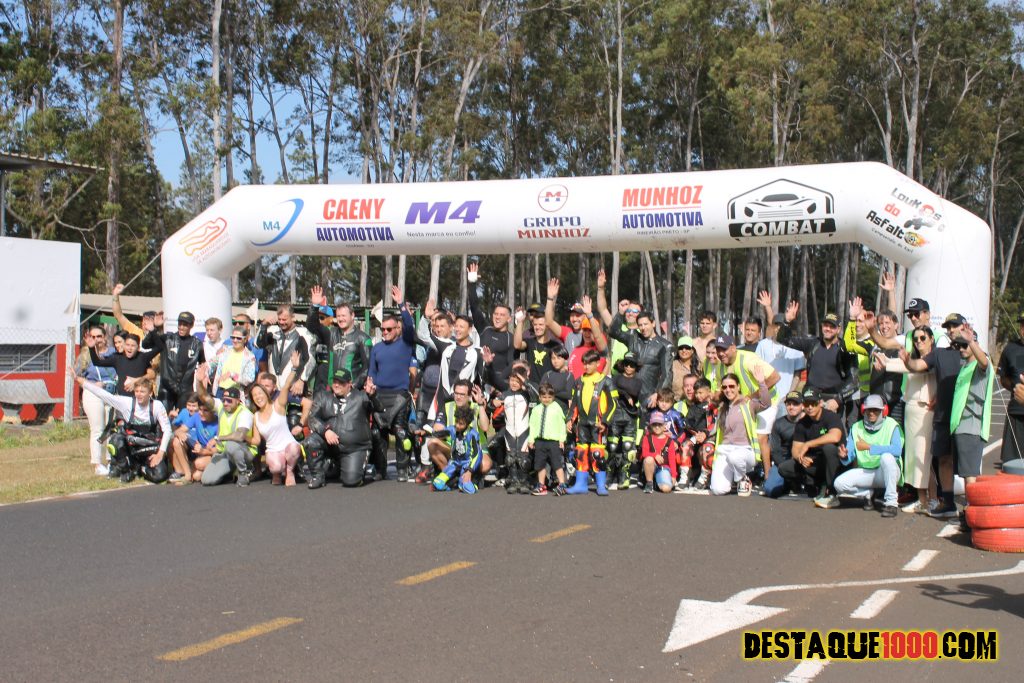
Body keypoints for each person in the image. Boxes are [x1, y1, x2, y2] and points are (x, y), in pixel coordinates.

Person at [901, 319, 969, 519]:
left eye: (955, 326)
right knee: (944, 460)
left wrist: (971, 344)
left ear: (964, 326)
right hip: (942, 416)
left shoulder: (971, 352)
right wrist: (907, 361)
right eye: (948, 327)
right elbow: (918, 365)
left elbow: (984, 366)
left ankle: (971, 507)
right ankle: (948, 504)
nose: (951, 330)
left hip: (964, 416)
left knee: (967, 465)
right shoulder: (939, 353)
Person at [71, 373, 171, 484]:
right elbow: (103, 394)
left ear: (150, 393)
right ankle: (126, 468)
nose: (139, 395)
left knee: (160, 476)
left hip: (149, 448)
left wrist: (160, 454)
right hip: (132, 447)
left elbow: (167, 430)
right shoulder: (127, 403)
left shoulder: (157, 406)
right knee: (116, 439)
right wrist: (79, 380)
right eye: (137, 391)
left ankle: (140, 469)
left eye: (142, 392)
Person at [879, 326, 938, 514]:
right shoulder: (912, 358)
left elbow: (913, 367)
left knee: (923, 456)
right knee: (913, 457)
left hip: (925, 409)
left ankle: (931, 499)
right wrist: (884, 360)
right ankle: (924, 499)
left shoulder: (933, 358)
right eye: (916, 339)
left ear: (931, 339)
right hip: (911, 408)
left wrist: (888, 363)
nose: (919, 341)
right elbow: (904, 364)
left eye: (923, 338)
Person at [775, 304, 858, 422]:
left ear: (839, 329)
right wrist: (787, 321)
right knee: (808, 431)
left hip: (832, 401)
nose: (828, 329)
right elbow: (783, 340)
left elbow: (854, 380)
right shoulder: (813, 343)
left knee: (832, 432)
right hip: (810, 399)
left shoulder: (845, 349)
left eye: (832, 327)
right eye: (826, 325)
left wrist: (838, 400)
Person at [368, 286, 418, 481]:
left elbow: (409, 326)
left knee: (400, 433)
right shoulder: (377, 348)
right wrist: (370, 386)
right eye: (383, 329)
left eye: (389, 329)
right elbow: (372, 371)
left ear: (397, 329)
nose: (385, 332)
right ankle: (380, 470)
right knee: (377, 433)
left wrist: (401, 304)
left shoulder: (405, 343)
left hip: (399, 396)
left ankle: (402, 470)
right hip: (380, 396)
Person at [305, 369, 383, 489]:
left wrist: (373, 395)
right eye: (335, 381)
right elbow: (312, 418)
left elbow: (380, 408)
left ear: (349, 384)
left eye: (341, 382)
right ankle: (317, 477)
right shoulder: (323, 396)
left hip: (355, 447)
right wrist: (325, 431)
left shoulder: (361, 396)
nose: (336, 385)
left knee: (351, 481)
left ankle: (356, 466)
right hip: (331, 444)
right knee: (311, 441)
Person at [834, 394, 904, 517]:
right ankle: (867, 494)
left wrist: (869, 447)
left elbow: (897, 450)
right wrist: (844, 455)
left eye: (875, 410)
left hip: (887, 472)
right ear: (863, 410)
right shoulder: (856, 427)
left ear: (883, 411)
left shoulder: (892, 425)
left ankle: (891, 503)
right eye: (868, 410)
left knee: (887, 457)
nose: (871, 413)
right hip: (867, 472)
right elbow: (849, 455)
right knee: (839, 483)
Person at [710, 368, 770, 496]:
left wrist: (761, 383)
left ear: (738, 386)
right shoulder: (722, 407)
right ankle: (733, 480)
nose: (728, 390)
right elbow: (714, 430)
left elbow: (766, 403)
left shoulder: (748, 403)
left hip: (745, 451)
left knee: (734, 457)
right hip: (725, 450)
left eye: (731, 386)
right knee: (718, 490)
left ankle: (743, 478)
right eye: (725, 387)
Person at [566, 350, 616, 495]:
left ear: (598, 363)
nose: (587, 366)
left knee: (597, 454)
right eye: (585, 363)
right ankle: (580, 484)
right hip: (582, 423)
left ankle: (600, 485)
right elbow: (574, 404)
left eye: (590, 363)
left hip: (598, 424)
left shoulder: (606, 381)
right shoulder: (578, 381)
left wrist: (605, 422)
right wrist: (569, 419)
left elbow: (613, 404)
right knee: (580, 453)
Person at [307, 286, 373, 396]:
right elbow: (312, 326)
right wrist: (314, 306)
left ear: (352, 315)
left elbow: (368, 367)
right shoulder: (331, 333)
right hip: (330, 391)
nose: (341, 319)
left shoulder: (363, 338)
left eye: (343, 316)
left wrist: (353, 386)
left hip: (352, 393)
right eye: (338, 316)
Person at [421, 379, 491, 484]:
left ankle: (472, 476)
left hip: (475, 450)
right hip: (455, 448)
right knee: (432, 443)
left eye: (462, 394)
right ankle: (449, 475)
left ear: (469, 396)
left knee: (486, 465)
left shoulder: (476, 407)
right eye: (456, 393)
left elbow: (485, 427)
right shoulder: (447, 406)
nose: (458, 397)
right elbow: (437, 428)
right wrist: (438, 432)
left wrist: (481, 405)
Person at [787, 388, 847, 508]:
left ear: (820, 403)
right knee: (784, 468)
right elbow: (795, 450)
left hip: (838, 462)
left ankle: (832, 492)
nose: (810, 407)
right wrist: (800, 458)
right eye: (807, 404)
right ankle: (817, 485)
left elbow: (835, 437)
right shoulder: (802, 423)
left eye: (813, 403)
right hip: (815, 462)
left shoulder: (831, 416)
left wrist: (808, 444)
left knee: (828, 448)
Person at [249, 354, 303, 486]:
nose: (258, 397)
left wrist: (294, 368)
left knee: (294, 448)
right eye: (255, 396)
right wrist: (241, 437)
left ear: (266, 394)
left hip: (288, 446)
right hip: (273, 450)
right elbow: (256, 441)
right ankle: (277, 473)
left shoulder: (278, 405)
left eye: (260, 393)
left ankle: (290, 471)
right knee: (276, 467)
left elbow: (286, 386)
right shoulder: (256, 416)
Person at [607, 309, 673, 415]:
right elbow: (613, 332)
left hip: (649, 397)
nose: (643, 328)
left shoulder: (665, 345)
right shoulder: (633, 337)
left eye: (646, 324)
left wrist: (658, 394)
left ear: (653, 323)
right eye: (640, 325)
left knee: (647, 424)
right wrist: (620, 314)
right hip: (627, 395)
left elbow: (667, 374)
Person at [195, 381, 258, 487]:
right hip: (224, 454)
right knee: (206, 480)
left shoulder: (245, 414)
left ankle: (244, 472)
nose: (225, 403)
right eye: (224, 400)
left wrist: (218, 438)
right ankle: (230, 473)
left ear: (238, 401)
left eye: (229, 400)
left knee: (231, 445)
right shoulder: (221, 407)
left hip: (244, 453)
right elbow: (203, 396)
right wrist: (199, 380)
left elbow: (240, 436)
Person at [144, 311, 206, 414]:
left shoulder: (197, 344)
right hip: (166, 388)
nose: (181, 327)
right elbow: (146, 345)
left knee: (183, 419)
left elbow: (202, 363)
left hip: (185, 389)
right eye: (180, 324)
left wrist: (203, 379)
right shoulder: (167, 338)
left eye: (185, 325)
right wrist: (154, 329)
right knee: (161, 417)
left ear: (191, 325)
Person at [75, 324, 117, 475]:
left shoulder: (113, 353)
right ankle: (97, 464)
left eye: (99, 336)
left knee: (111, 428)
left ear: (105, 337)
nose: (96, 339)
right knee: (97, 428)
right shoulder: (84, 355)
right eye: (93, 337)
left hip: (111, 392)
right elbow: (77, 376)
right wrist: (92, 385)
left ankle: (112, 461)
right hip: (93, 393)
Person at [467, 263, 515, 392]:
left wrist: (496, 383)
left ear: (509, 319)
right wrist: (472, 283)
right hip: (478, 382)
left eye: (502, 315)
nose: (498, 317)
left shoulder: (511, 338)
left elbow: (511, 364)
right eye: (496, 314)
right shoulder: (485, 329)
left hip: (497, 387)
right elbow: (474, 307)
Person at [255, 304, 315, 394]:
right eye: (279, 319)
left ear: (292, 317)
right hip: (274, 389)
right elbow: (257, 344)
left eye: (284, 319)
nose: (281, 322)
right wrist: (264, 325)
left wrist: (302, 380)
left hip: (294, 388)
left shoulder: (303, 333)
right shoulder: (273, 331)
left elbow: (311, 359)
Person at [430, 405, 489, 494]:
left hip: (467, 463)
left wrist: (469, 470)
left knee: (467, 488)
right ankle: (450, 484)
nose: (457, 425)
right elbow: (443, 433)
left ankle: (474, 482)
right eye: (456, 422)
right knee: (437, 483)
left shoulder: (473, 434)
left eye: (461, 424)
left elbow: (477, 454)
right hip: (454, 462)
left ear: (467, 424)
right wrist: (434, 433)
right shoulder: (452, 429)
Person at [495, 368, 534, 494]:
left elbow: (536, 392)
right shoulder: (505, 394)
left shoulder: (527, 394)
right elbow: (491, 406)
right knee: (510, 457)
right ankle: (513, 481)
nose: (514, 383)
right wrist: (494, 403)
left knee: (523, 458)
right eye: (512, 380)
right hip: (509, 430)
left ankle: (524, 481)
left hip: (524, 429)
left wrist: (525, 381)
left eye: (517, 381)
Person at [607, 353, 642, 490]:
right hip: (615, 414)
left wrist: (623, 393)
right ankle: (609, 474)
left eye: (632, 365)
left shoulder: (638, 381)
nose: (628, 367)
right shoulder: (616, 378)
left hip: (630, 416)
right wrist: (625, 394)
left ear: (636, 367)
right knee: (612, 446)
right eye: (626, 364)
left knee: (628, 446)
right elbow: (611, 390)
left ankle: (624, 475)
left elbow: (635, 391)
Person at [762, 391, 806, 498]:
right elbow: (775, 451)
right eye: (789, 404)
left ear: (802, 405)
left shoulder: (809, 422)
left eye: (795, 404)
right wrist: (786, 469)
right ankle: (788, 483)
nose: (791, 407)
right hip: (783, 462)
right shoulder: (778, 423)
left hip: (804, 461)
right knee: (770, 490)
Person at [528, 382, 568, 496]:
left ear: (553, 397)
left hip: (553, 441)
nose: (546, 399)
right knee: (540, 464)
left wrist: (562, 439)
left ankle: (562, 484)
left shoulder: (556, 408)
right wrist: (531, 439)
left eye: (549, 397)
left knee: (557, 463)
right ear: (539, 397)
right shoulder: (536, 409)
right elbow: (532, 425)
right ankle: (541, 485)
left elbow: (561, 424)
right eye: (544, 397)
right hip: (540, 441)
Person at [89, 332, 158, 396]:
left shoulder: (141, 357)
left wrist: (136, 380)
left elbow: (151, 374)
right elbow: (97, 362)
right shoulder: (116, 357)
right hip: (121, 397)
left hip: (139, 397)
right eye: (115, 343)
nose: (117, 345)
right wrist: (92, 348)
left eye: (119, 342)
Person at [514, 302, 563, 385]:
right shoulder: (530, 342)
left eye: (541, 324)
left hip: (549, 388)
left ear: (547, 326)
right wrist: (520, 322)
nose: (537, 327)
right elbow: (517, 345)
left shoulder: (555, 345)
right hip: (532, 387)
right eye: (535, 325)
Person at [997, 312, 1024, 464]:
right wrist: (1014, 387)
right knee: (1012, 464)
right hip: (1016, 413)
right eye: (1022, 325)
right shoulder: (1010, 349)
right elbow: (1003, 377)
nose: (1023, 329)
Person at [640, 411, 680, 493]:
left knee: (666, 489)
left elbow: (672, 460)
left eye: (660, 424)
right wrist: (655, 455)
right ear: (651, 425)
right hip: (651, 466)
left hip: (663, 468)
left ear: (664, 426)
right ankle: (649, 483)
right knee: (648, 459)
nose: (657, 427)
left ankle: (656, 482)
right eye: (654, 424)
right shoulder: (647, 438)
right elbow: (644, 453)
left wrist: (673, 476)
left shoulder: (670, 441)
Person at [671, 336, 701, 401]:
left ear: (692, 350)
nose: (684, 350)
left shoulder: (700, 366)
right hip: (677, 403)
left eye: (687, 348)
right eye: (681, 348)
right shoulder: (672, 366)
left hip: (697, 402)